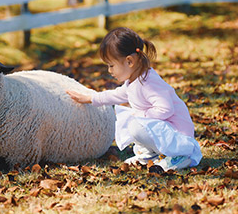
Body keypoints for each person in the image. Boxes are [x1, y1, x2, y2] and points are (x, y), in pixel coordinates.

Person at [67, 27, 202, 171]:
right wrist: (91, 98)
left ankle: (180, 155)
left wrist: (141, 116)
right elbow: (115, 95)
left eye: (111, 65)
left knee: (136, 124)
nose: (109, 71)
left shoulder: (149, 82)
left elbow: (166, 109)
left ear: (129, 61)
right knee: (129, 120)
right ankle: (152, 154)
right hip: (164, 131)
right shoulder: (134, 81)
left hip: (178, 135)